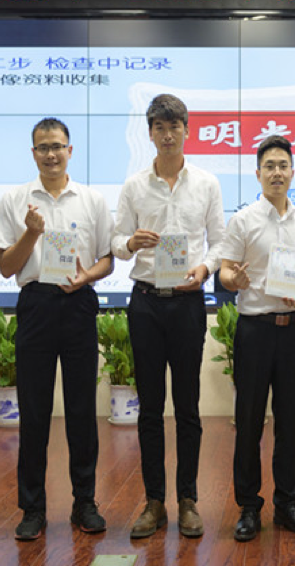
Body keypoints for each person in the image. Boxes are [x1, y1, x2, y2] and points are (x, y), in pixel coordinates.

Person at [0, 117, 114, 541]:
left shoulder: (92, 200)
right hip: (36, 304)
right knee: (34, 411)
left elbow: (107, 259)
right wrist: (31, 234)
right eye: (43, 147)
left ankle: (85, 503)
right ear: (33, 153)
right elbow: (6, 267)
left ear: (70, 150)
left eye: (57, 146)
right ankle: (33, 508)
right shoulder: (15, 199)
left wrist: (86, 277)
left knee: (82, 410)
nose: (51, 154)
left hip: (79, 302)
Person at [112, 94, 225, 539]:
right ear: (150, 133)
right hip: (145, 301)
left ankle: (188, 500)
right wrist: (130, 243)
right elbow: (117, 241)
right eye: (159, 127)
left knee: (188, 405)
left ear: (186, 130)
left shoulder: (207, 183)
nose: (167, 134)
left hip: (187, 302)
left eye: (174, 125)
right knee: (150, 407)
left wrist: (206, 269)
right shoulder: (134, 186)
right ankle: (154, 501)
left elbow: (219, 242)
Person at [219, 135, 295, 542]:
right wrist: (236, 280)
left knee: (289, 420)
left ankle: (287, 503)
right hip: (255, 329)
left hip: (292, 330)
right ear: (258, 173)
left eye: (283, 165)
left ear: (292, 172)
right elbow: (226, 272)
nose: (277, 172)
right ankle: (248, 506)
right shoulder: (243, 220)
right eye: (270, 166)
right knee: (248, 421)